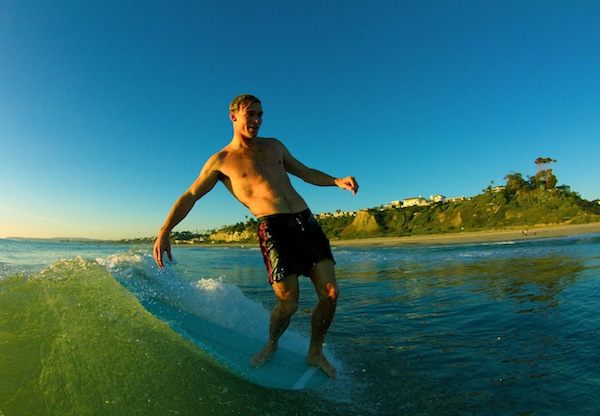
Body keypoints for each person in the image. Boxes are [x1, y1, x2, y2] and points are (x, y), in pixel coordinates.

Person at [153, 94, 358, 378]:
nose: (258, 120)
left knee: (331, 293)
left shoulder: (274, 146)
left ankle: (315, 350)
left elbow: (305, 172)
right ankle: (272, 344)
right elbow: (190, 195)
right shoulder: (221, 161)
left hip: (305, 221)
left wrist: (335, 181)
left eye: (261, 114)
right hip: (273, 228)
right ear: (233, 116)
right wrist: (165, 229)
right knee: (289, 302)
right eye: (251, 114)